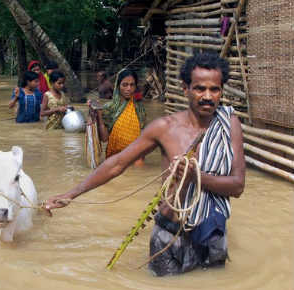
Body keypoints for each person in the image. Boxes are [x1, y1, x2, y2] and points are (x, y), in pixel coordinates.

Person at [45, 53, 246, 277]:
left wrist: (195, 176)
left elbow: (237, 186)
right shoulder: (164, 128)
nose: (207, 96)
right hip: (170, 234)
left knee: (214, 288)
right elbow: (117, 164)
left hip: (212, 232)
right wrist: (71, 194)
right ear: (185, 88)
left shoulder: (229, 124)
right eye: (199, 88)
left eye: (215, 90)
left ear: (221, 91)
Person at [93, 69, 146, 166]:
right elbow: (104, 138)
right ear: (118, 86)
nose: (129, 88)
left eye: (132, 85)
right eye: (125, 85)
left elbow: (142, 137)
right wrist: (99, 114)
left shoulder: (139, 108)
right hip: (115, 159)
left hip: (135, 158)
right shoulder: (109, 108)